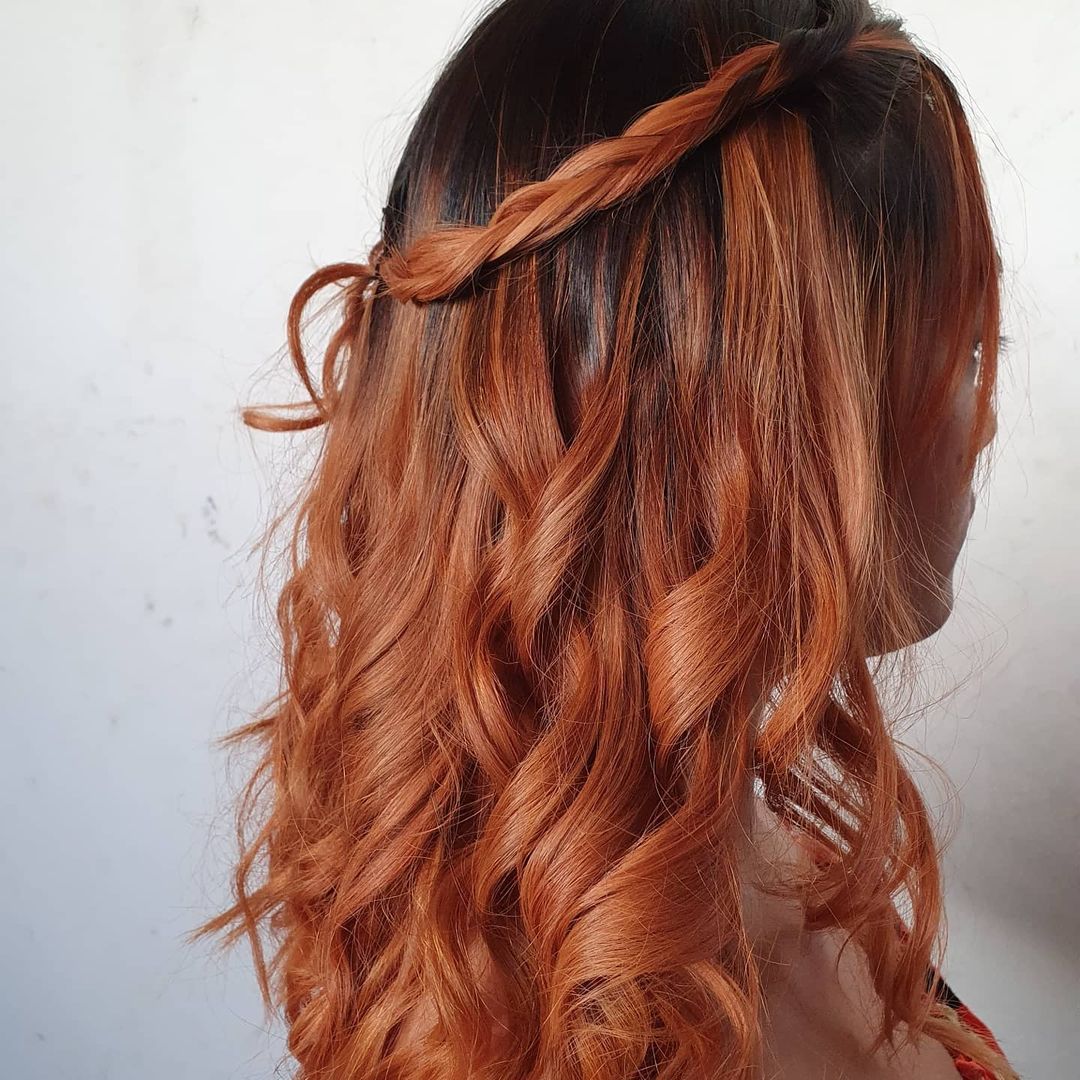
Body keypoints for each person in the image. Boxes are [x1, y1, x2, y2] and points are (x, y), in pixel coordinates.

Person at [191, 1, 1020, 1077]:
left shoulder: (766, 858)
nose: (983, 418)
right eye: (963, 353)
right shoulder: (583, 1043)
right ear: (751, 438)